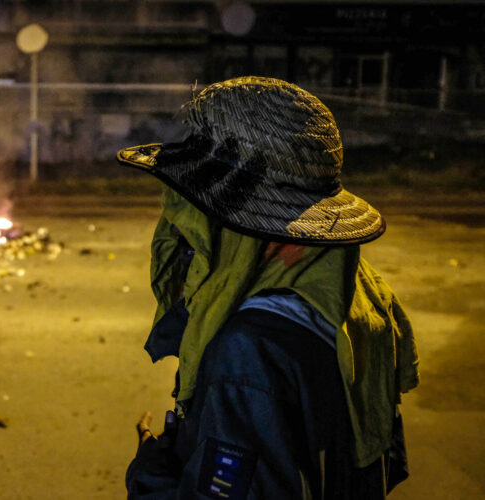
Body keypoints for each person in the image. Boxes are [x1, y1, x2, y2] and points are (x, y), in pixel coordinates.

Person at [116, 76, 419, 499]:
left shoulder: (247, 355)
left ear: (263, 231)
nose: (181, 234)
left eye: (195, 213)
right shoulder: (354, 302)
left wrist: (153, 472)